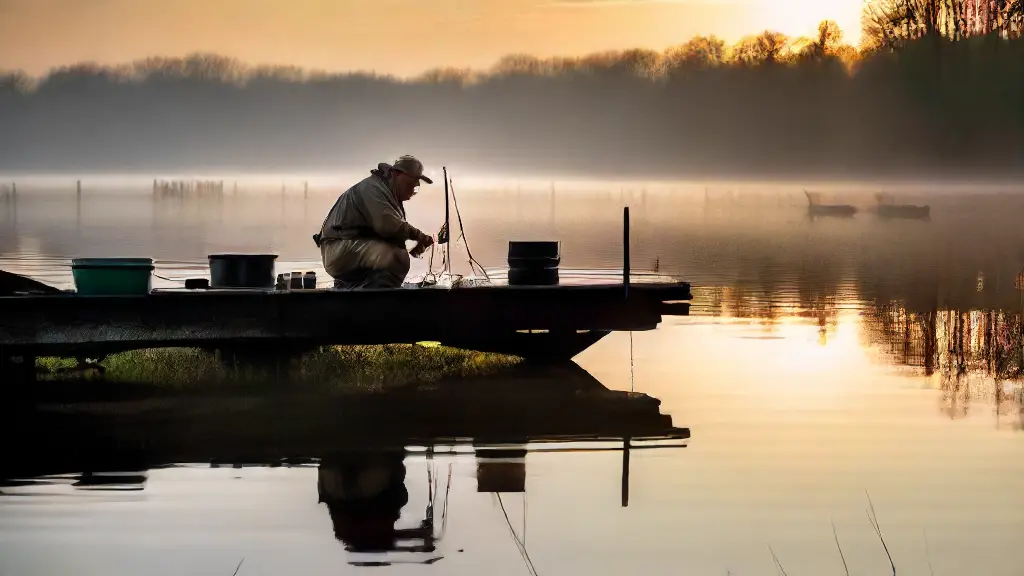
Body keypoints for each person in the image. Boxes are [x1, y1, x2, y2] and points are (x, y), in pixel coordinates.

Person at [314, 156, 436, 288]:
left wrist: (414, 245)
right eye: (410, 184)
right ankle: (379, 297)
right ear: (395, 174)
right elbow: (387, 225)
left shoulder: (388, 193)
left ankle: (352, 288)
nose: (413, 190)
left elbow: (392, 232)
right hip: (337, 249)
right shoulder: (372, 189)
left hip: (349, 247)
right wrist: (419, 236)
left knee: (396, 253)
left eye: (416, 186)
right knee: (396, 257)